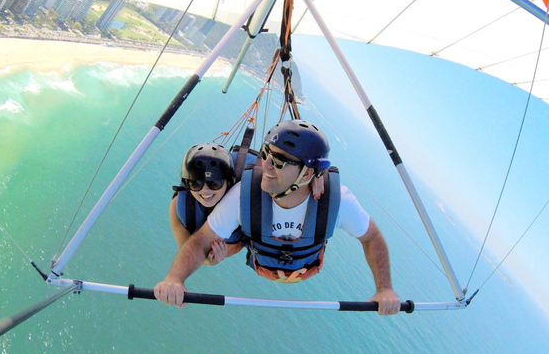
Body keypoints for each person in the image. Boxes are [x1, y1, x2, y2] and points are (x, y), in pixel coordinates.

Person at [155, 120, 401, 315]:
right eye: (265, 154)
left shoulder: (338, 202)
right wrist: (175, 278)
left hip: (306, 268)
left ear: (308, 174)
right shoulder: (244, 195)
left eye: (280, 162)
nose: (266, 165)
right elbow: (200, 241)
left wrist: (385, 289)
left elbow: (372, 238)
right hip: (260, 264)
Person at [170, 143, 244, 266]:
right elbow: (186, 253)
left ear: (228, 182)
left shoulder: (243, 202)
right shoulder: (177, 206)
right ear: (186, 184)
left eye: (214, 183)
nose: (205, 191)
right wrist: (209, 261)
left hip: (237, 242)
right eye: (195, 183)